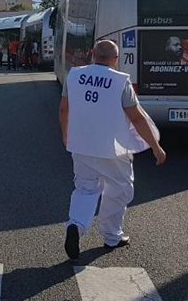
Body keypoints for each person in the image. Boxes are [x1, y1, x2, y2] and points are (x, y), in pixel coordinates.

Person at [59, 40, 166, 260]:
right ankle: (111, 236)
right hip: (113, 149)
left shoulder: (74, 75)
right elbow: (136, 117)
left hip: (81, 146)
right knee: (119, 190)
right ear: (116, 59)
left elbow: (63, 109)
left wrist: (65, 134)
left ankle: (76, 224)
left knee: (85, 189)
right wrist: (155, 147)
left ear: (92, 54)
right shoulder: (120, 81)